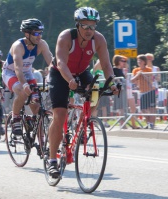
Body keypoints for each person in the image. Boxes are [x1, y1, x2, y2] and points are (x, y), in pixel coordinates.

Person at [47, 7, 119, 178]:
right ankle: (52, 161)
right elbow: (61, 63)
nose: (89, 30)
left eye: (92, 26)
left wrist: (113, 83)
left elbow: (107, 65)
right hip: (60, 73)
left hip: (81, 72)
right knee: (60, 114)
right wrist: (70, 81)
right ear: (77, 25)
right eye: (85, 26)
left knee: (96, 92)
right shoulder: (66, 37)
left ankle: (85, 122)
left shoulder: (99, 39)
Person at [2, 18, 53, 136]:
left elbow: (51, 62)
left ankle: (36, 129)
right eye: (36, 33)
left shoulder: (42, 44)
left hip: (27, 72)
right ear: (27, 34)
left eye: (40, 33)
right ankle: (15, 118)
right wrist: (25, 85)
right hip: (11, 72)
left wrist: (54, 75)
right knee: (23, 91)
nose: (39, 36)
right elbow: (18, 69)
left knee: (37, 104)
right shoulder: (18, 46)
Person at [131, 54, 156, 129]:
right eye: (138, 60)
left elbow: (149, 80)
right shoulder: (135, 70)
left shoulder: (148, 69)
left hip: (149, 90)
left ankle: (151, 123)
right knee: (143, 109)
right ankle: (148, 122)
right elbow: (132, 80)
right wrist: (139, 74)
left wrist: (143, 74)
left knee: (151, 108)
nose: (139, 61)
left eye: (140, 60)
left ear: (144, 61)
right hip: (142, 91)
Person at [91, 60, 110, 128]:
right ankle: (93, 121)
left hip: (102, 90)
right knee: (95, 107)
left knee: (104, 107)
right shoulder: (94, 71)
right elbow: (95, 67)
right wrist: (100, 61)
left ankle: (105, 121)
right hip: (95, 90)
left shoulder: (102, 72)